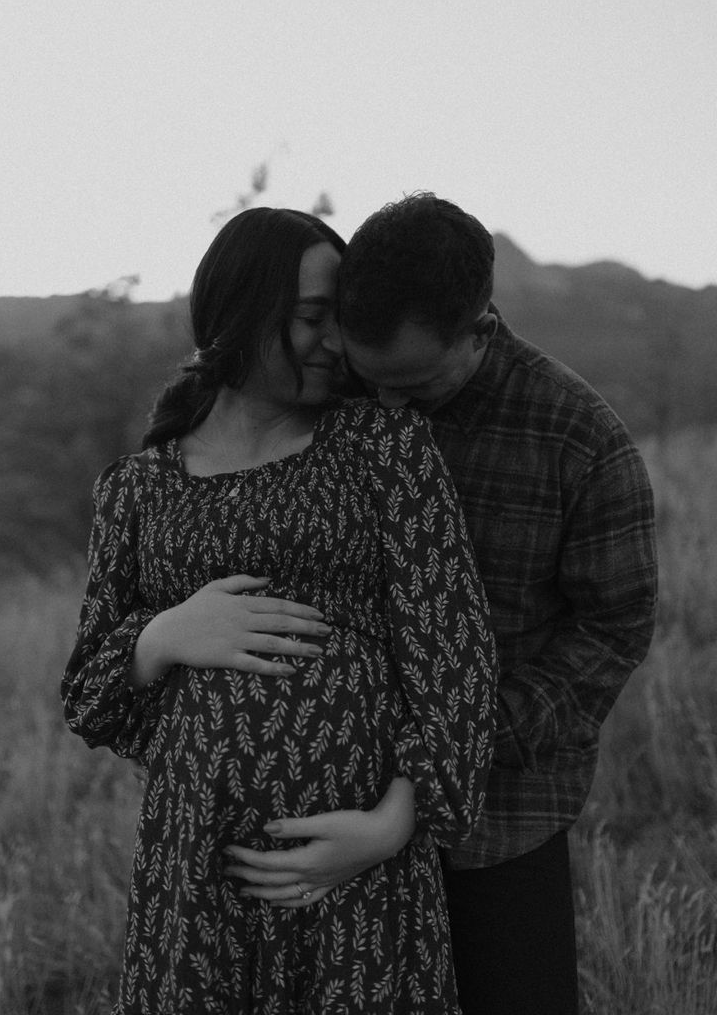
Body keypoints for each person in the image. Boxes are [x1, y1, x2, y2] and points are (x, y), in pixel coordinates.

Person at [223, 194, 658, 1015]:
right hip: (320, 804)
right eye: (372, 380)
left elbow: (611, 632)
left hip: (495, 822)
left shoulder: (582, 444)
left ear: (481, 330)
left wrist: (433, 767)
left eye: (416, 386)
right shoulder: (329, 393)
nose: (391, 409)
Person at [61, 206, 497, 1015]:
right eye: (312, 318)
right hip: (198, 874)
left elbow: (454, 658)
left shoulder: (383, 449)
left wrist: (391, 826)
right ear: (238, 313)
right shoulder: (138, 487)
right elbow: (89, 691)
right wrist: (163, 634)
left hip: (359, 870)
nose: (337, 341)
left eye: (343, 318)